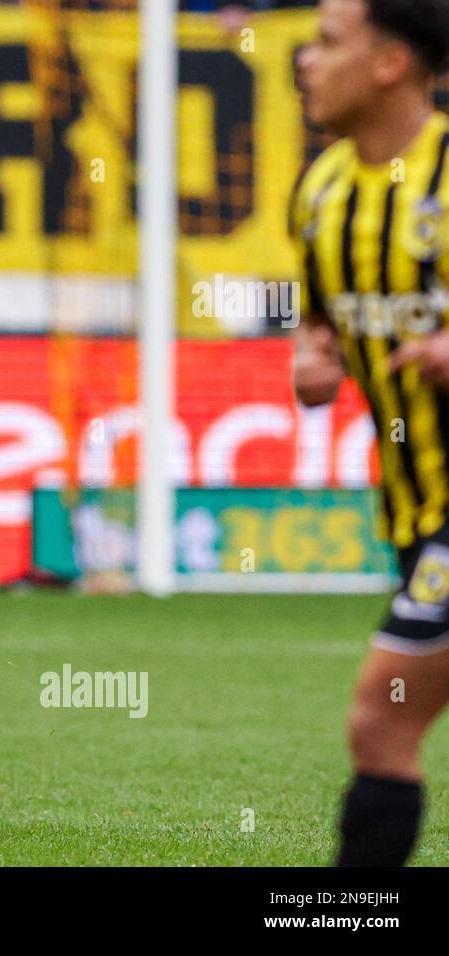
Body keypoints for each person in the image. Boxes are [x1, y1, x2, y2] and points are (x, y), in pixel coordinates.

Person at [291, 0, 449, 865]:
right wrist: (312, 356)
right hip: (416, 511)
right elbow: (319, 322)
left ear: (390, 62)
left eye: (325, 41)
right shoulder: (321, 194)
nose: (306, 61)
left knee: (379, 721)